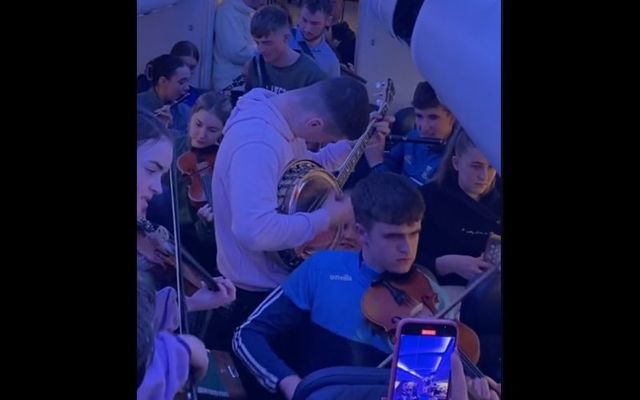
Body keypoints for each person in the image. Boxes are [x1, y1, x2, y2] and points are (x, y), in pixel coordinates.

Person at [232, 172, 452, 399]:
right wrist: (290, 383)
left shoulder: (434, 299)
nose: (407, 249)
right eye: (392, 237)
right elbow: (247, 335)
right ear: (361, 232)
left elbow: (424, 394)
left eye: (414, 234)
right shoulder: (321, 269)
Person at [146, 91, 232, 274]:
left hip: (194, 240)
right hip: (159, 228)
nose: (201, 135)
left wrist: (206, 224)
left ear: (223, 131)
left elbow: (212, 238)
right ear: (190, 118)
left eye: (212, 130)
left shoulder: (223, 162)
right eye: (198, 124)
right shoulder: (172, 142)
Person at [366, 81, 457, 186]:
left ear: (452, 118)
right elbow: (390, 164)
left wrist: (376, 164)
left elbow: (406, 201)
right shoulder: (413, 135)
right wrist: (377, 143)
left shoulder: (455, 161)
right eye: (419, 116)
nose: (424, 128)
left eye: (433, 117)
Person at [245, 5, 327, 93]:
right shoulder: (255, 65)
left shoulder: (311, 75)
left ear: (286, 38)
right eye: (257, 42)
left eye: (267, 43)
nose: (260, 49)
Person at [212, 0, 266, 94]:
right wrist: (266, 50)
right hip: (230, 85)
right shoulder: (228, 13)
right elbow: (236, 52)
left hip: (244, 84)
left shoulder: (249, 13)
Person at [137, 55, 192, 135]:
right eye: (181, 82)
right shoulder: (139, 107)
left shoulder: (186, 112)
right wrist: (159, 127)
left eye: (187, 81)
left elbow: (189, 143)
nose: (187, 87)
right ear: (162, 81)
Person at [289, 0, 340, 78]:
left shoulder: (331, 62)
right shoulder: (283, 38)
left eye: (315, 23)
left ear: (328, 21)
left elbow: (332, 90)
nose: (307, 29)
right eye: (304, 20)